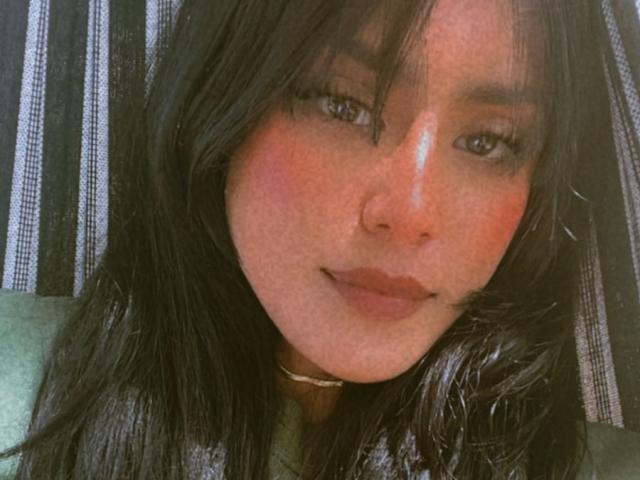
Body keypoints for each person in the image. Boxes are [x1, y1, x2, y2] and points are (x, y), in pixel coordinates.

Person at [1, 0, 640, 478]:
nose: (410, 212)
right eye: (342, 104)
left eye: (488, 141)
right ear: (218, 101)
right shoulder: (19, 395)